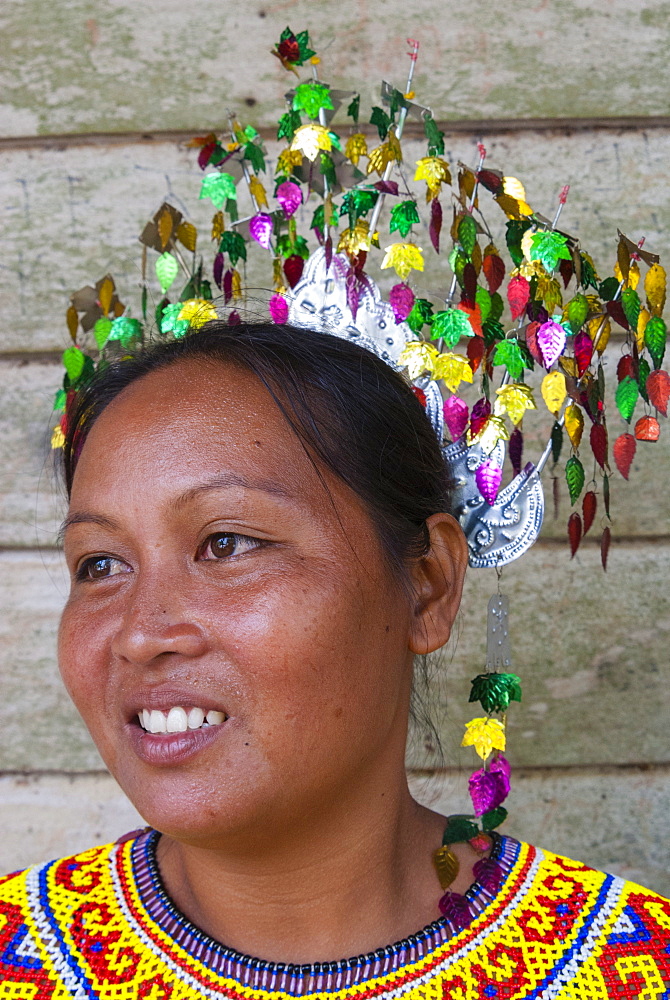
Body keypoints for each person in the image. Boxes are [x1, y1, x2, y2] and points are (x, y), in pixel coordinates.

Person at [1, 321, 668, 999]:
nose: (139, 636)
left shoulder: (631, 971)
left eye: (227, 543)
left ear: (429, 585)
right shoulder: (17, 958)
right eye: (99, 564)